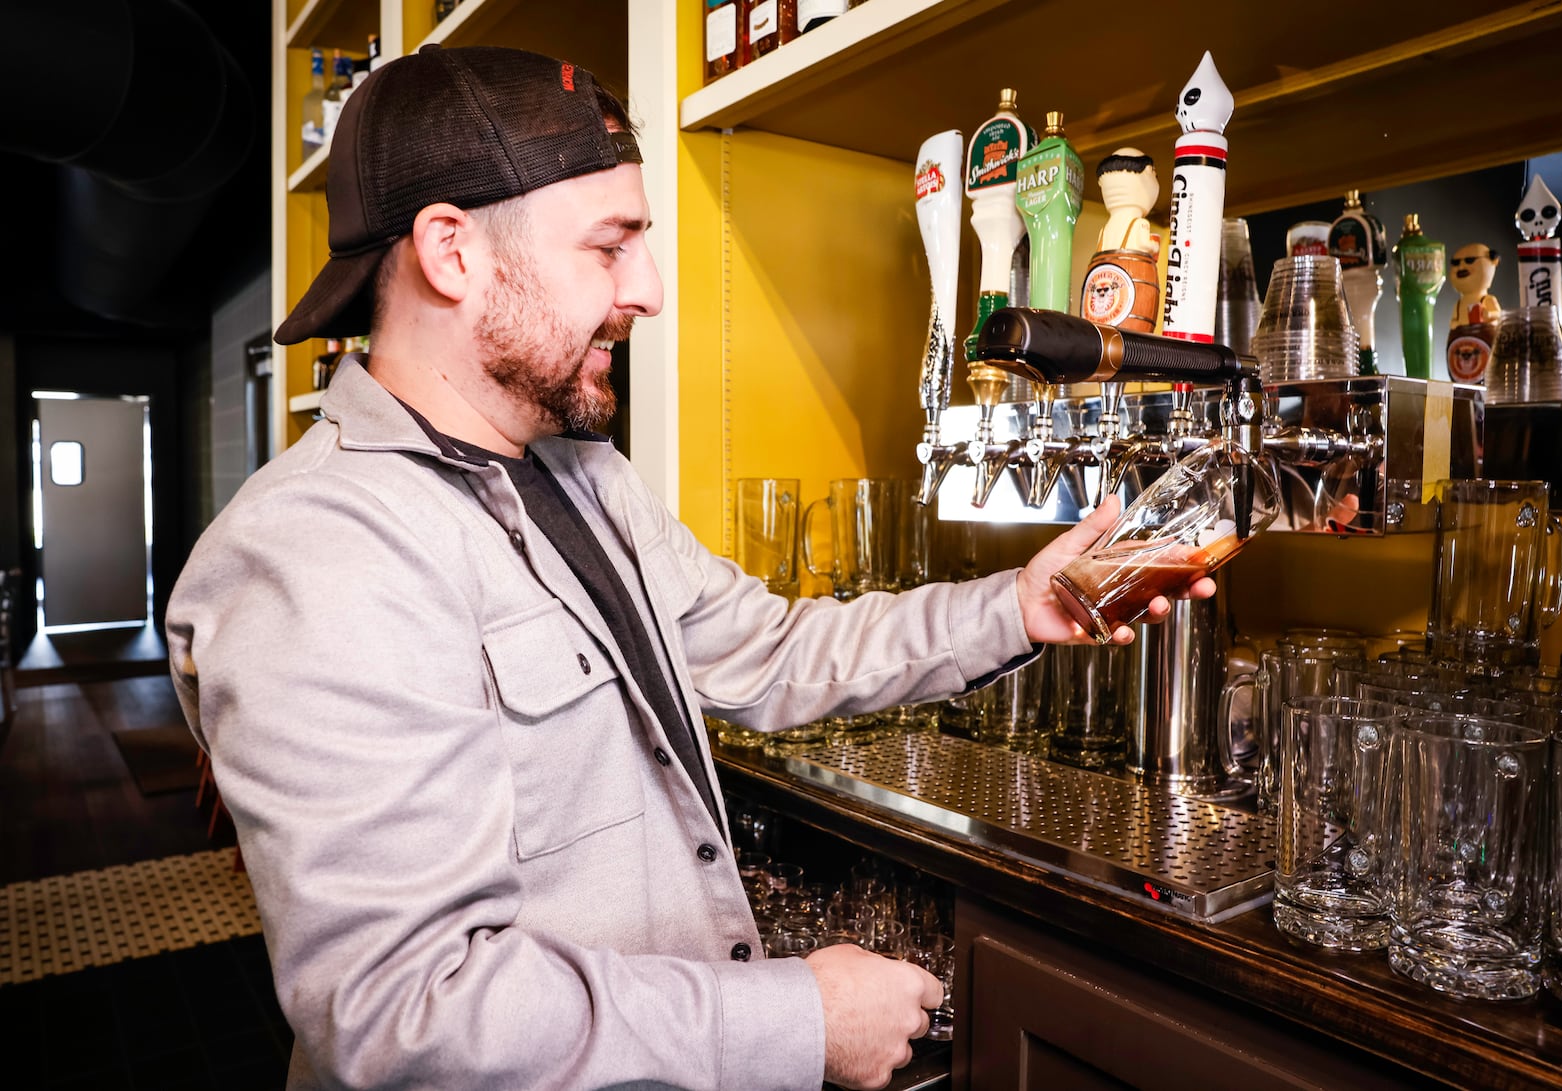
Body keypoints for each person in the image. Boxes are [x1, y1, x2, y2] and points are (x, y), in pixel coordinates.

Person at [166, 45, 1213, 1091]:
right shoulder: (316, 551)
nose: (650, 290)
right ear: (452, 251)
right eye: (611, 246)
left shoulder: (582, 478)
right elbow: (406, 1012)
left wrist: (1019, 604)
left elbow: (764, 647)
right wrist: (797, 1017)